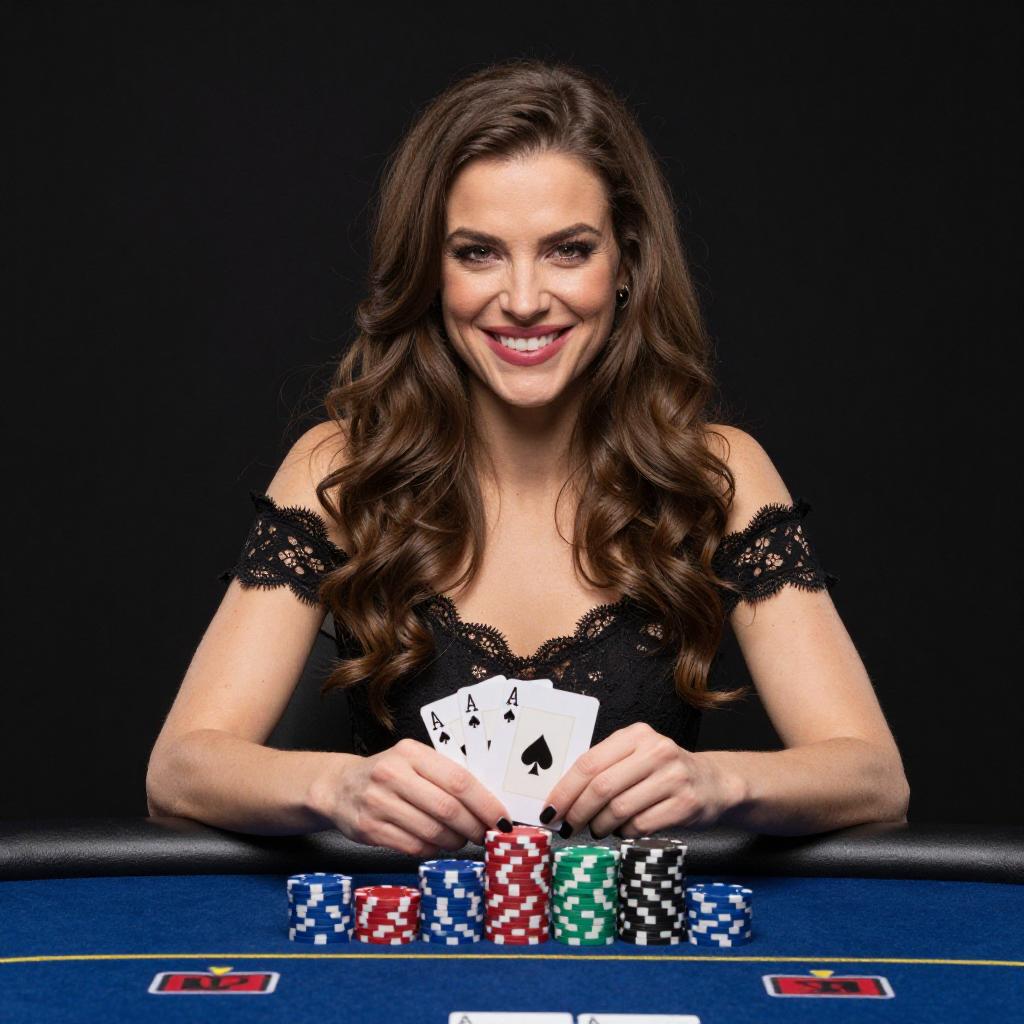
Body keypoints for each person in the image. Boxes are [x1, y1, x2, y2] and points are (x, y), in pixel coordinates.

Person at [146, 58, 909, 856]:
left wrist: (717, 783)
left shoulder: (717, 474)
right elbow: (178, 772)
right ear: (429, 272)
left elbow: (876, 780)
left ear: (626, 264)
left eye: (567, 250)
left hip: (625, 935)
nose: (521, 300)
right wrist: (337, 789)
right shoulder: (340, 469)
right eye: (477, 253)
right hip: (412, 933)